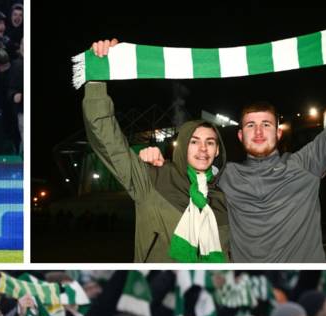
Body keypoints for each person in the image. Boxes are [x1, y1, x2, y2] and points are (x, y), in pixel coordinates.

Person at [137, 24, 326, 262]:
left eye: (266, 125)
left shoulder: (306, 164)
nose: (258, 132)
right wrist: (156, 160)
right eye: (250, 125)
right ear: (240, 135)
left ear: (278, 133)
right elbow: (188, 175)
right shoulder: (226, 176)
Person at [86, 39, 230, 262]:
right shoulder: (153, 177)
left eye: (210, 142)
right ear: (181, 147)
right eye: (194, 141)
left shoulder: (225, 197)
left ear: (217, 150)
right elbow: (109, 144)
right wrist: (96, 79)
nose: (203, 148)